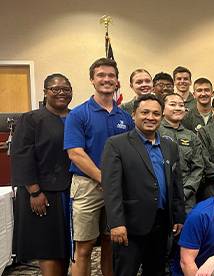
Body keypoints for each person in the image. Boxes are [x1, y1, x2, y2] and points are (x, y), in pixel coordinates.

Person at [64, 57, 134, 276]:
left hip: (118, 187)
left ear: (117, 81)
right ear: (92, 80)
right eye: (101, 75)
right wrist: (104, 178)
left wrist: (116, 182)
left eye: (111, 75)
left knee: (111, 244)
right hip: (87, 186)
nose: (106, 79)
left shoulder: (124, 117)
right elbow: (75, 153)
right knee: (83, 247)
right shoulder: (78, 114)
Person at [101, 94, 185, 276]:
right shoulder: (116, 144)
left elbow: (176, 183)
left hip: (162, 223)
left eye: (156, 113)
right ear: (133, 115)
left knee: (156, 271)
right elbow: (111, 188)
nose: (150, 117)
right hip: (129, 225)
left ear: (162, 117)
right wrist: (116, 223)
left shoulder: (170, 146)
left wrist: (178, 216)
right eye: (145, 112)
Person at [11, 73, 73, 276]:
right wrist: (34, 191)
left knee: (65, 247)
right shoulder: (31, 119)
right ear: (45, 93)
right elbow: (22, 156)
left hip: (69, 191)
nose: (61, 93)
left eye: (66, 89)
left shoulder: (75, 117)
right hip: (42, 193)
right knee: (48, 248)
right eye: (56, 89)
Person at [159, 93, 206, 213]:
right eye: (172, 104)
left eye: (181, 105)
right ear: (162, 110)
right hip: (160, 196)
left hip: (186, 199)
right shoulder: (155, 132)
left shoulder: (192, 136)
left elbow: (198, 168)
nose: (178, 108)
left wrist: (184, 192)